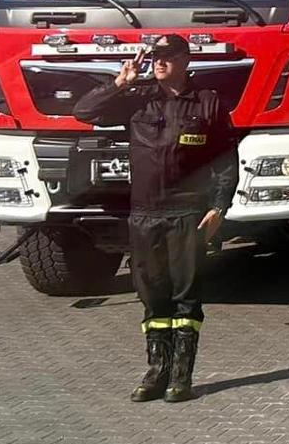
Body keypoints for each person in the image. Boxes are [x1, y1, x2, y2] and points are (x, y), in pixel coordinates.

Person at [73, 34, 237, 403]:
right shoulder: (137, 99)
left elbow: (226, 160)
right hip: (145, 214)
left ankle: (182, 376)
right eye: (155, 57)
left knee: (185, 297)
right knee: (152, 296)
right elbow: (83, 112)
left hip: (187, 213)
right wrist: (120, 82)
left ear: (185, 60)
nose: (158, 63)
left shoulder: (208, 103)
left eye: (166, 56)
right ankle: (156, 371)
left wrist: (219, 207)